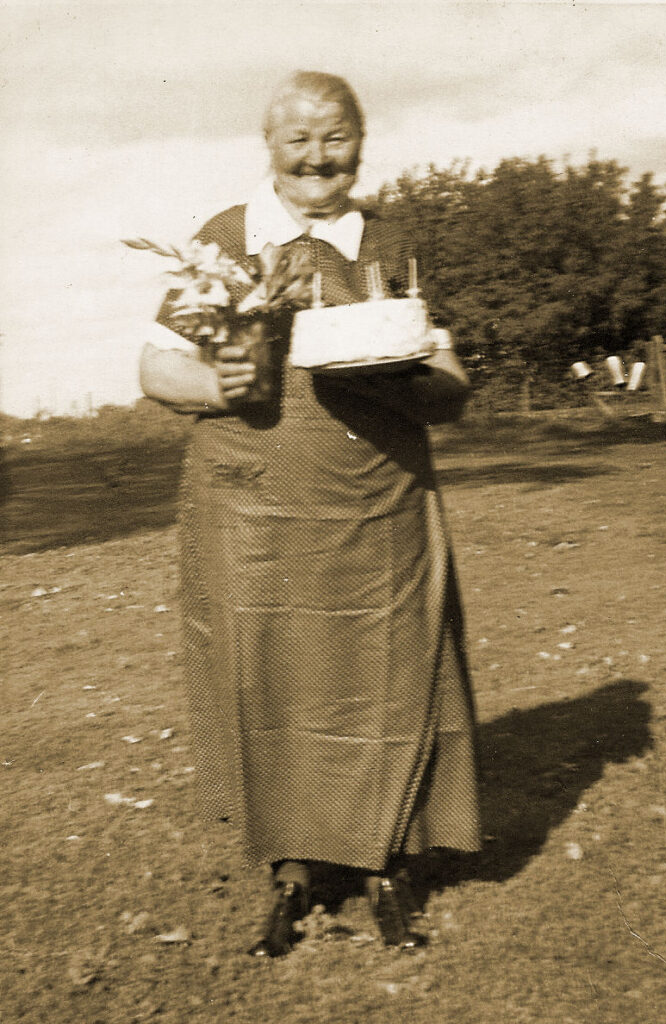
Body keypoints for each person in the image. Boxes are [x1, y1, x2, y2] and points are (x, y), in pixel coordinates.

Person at [139, 71, 481, 958]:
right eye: (298, 140)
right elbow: (157, 366)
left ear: (360, 142)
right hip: (252, 502)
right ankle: (293, 872)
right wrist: (217, 383)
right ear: (270, 147)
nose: (318, 158)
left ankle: (388, 864)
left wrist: (406, 376)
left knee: (389, 669)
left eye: (335, 137)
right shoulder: (227, 240)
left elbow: (451, 383)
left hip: (378, 499)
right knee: (272, 673)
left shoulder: (392, 239)